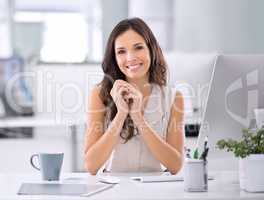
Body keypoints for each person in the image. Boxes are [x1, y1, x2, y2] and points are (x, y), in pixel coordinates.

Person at [84, 17, 184, 175]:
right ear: (114, 58)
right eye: (121, 51)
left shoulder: (173, 97)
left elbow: (175, 165)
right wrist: (121, 114)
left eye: (138, 47)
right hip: (113, 190)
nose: (130, 57)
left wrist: (138, 117)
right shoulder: (100, 94)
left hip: (157, 189)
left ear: (151, 49)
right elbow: (91, 165)